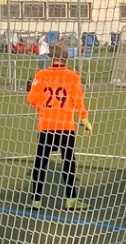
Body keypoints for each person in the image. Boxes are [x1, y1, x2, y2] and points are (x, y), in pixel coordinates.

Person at [26, 45, 91, 209]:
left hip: (46, 125)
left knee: (41, 161)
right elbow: (78, 100)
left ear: (51, 58)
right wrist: (84, 119)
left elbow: (31, 99)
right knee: (68, 161)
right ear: (66, 59)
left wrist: (42, 107)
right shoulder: (73, 77)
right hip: (66, 126)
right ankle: (71, 200)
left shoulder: (41, 75)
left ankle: (36, 200)